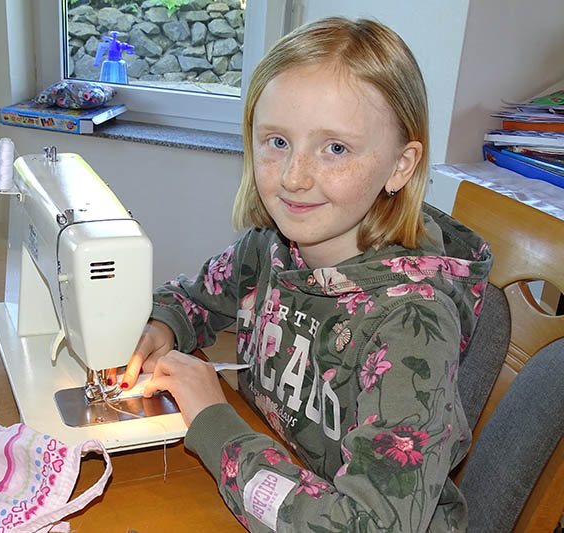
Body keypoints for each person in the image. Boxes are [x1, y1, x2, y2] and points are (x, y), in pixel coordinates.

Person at [120, 16, 492, 532]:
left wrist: (213, 423)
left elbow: (367, 525)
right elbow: (195, 299)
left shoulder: (410, 327)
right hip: (280, 474)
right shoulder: (272, 248)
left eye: (335, 148)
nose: (294, 178)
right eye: (277, 141)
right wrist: (160, 325)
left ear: (400, 166)